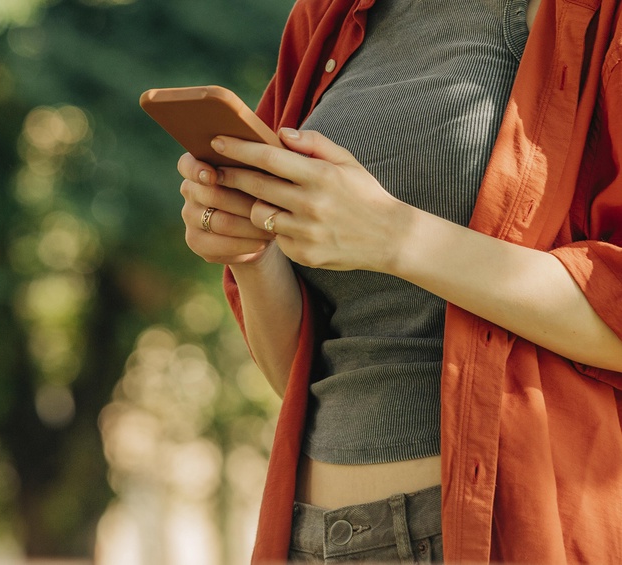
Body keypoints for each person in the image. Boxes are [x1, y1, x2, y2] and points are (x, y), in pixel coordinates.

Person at [176, 0, 622, 562]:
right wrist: (253, 246)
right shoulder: (325, 16)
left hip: (489, 534)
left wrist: (395, 237)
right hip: (310, 537)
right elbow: (300, 374)